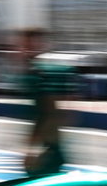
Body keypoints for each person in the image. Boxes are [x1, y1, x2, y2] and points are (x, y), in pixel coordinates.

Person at [13, 28, 75, 177]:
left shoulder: (42, 74)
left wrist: (32, 148)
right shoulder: (34, 73)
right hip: (49, 147)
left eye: (28, 45)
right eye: (22, 46)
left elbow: (48, 112)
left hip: (46, 150)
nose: (23, 50)